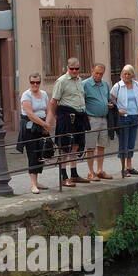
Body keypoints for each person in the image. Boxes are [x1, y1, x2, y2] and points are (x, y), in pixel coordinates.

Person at [48, 57, 88, 186]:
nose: (75, 71)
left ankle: (74, 174)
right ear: (67, 68)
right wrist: (57, 117)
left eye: (77, 69)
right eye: (72, 69)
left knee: (76, 145)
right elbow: (53, 102)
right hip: (66, 117)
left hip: (79, 117)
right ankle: (63, 176)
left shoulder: (79, 80)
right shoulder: (61, 81)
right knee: (64, 146)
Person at [17, 72, 53, 194]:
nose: (35, 84)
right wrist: (44, 124)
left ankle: (37, 181)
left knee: (42, 153)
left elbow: (49, 110)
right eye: (33, 82)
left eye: (37, 82)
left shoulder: (43, 94)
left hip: (42, 127)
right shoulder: (26, 95)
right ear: (30, 82)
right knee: (32, 153)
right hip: (30, 129)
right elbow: (30, 114)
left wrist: (47, 124)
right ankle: (33, 184)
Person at [111, 64, 138, 177]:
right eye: (125, 73)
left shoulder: (136, 85)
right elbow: (111, 101)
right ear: (122, 74)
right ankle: (123, 168)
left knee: (131, 141)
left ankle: (129, 166)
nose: (126, 75)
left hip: (134, 117)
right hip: (123, 118)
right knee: (123, 143)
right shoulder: (118, 86)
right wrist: (118, 111)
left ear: (132, 75)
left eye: (129, 73)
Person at [82, 63, 113, 181]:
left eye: (101, 74)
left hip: (104, 118)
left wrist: (108, 104)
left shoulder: (105, 84)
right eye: (96, 73)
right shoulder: (85, 84)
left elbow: (107, 98)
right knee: (90, 146)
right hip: (92, 119)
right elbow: (80, 101)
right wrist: (86, 115)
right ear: (92, 71)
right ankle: (90, 172)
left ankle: (100, 170)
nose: (98, 76)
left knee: (102, 145)